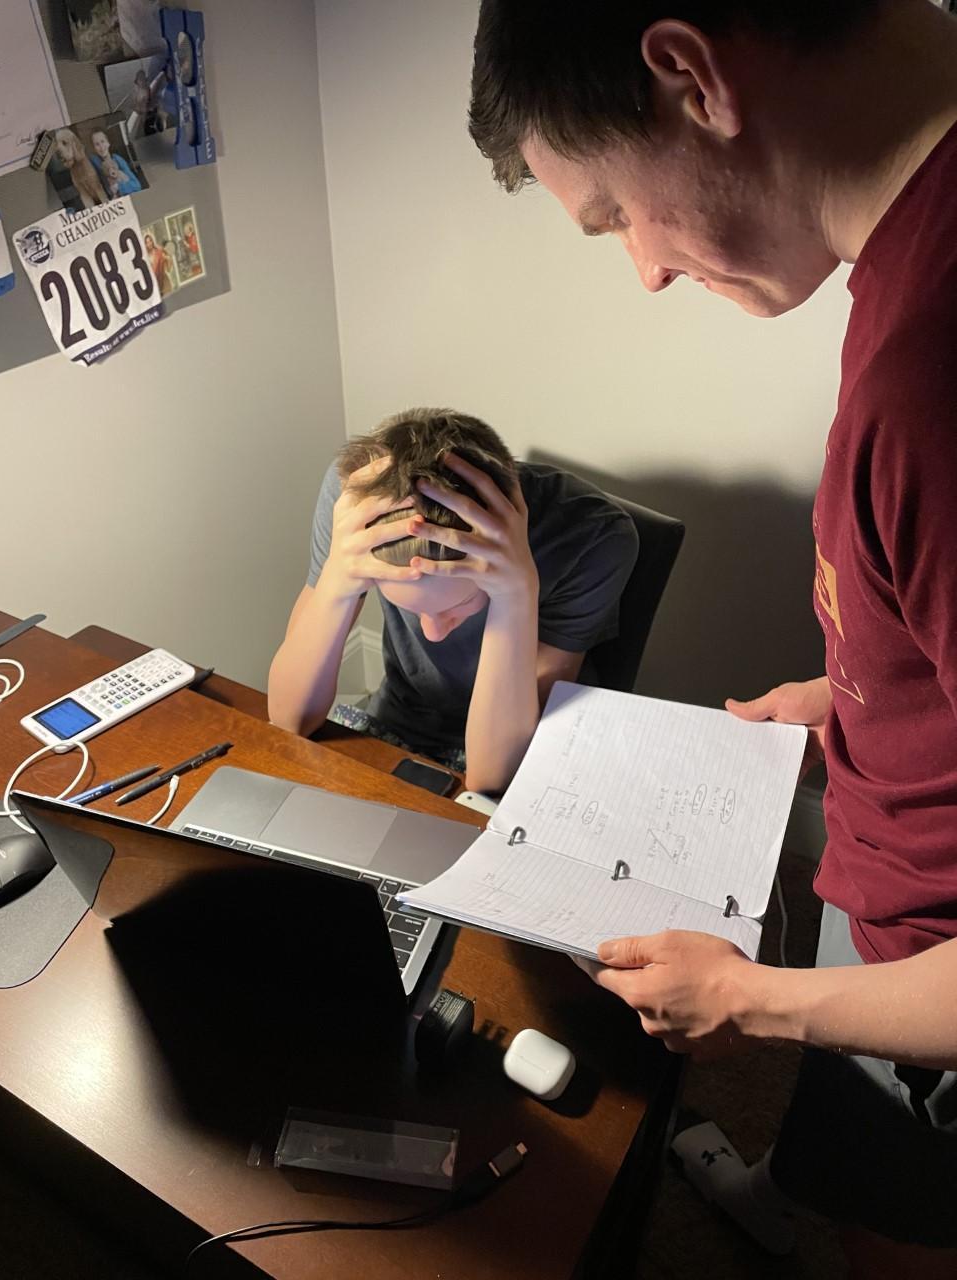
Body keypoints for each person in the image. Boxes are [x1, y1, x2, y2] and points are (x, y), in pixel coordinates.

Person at [468, 1, 957, 1276]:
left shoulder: (935, 381)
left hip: (933, 987)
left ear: (690, 76)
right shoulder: (909, 248)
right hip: (887, 900)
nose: (644, 268)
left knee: (901, 1230)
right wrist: (862, 695)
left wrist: (751, 997)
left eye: (613, 215)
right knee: (853, 1165)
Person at [268, 407, 638, 794]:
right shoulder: (356, 504)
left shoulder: (595, 538)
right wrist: (336, 580)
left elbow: (490, 778)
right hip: (404, 717)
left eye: (456, 607)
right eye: (411, 610)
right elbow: (288, 720)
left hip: (523, 734)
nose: (432, 634)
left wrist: (516, 593)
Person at [89, 129, 141, 196]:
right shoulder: (95, 163)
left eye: (103, 141)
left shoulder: (117, 159)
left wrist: (119, 187)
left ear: (108, 143)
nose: (101, 147)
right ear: (94, 148)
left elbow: (137, 185)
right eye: (97, 144)